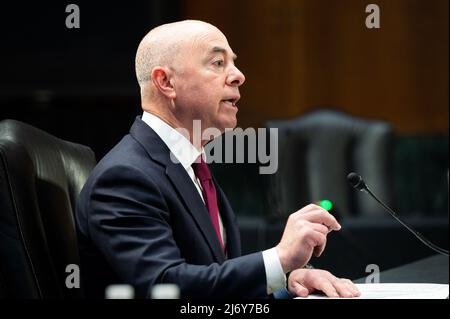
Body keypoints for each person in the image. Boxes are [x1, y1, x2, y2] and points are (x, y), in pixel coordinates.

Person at [75, 20, 360, 299]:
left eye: (233, 62)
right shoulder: (125, 177)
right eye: (218, 63)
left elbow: (213, 281)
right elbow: (165, 287)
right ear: (166, 82)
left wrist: (284, 281)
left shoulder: (192, 167)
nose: (239, 75)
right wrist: (280, 258)